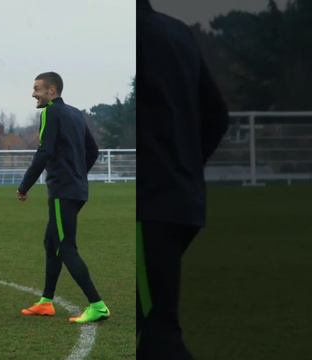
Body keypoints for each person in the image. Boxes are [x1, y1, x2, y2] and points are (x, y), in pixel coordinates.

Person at [137, 0, 229, 358]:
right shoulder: (178, 33)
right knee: (147, 318)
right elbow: (217, 115)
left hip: (150, 207)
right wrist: (184, 168)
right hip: (180, 201)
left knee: (159, 330)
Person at [17, 71, 108, 324]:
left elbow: (44, 151)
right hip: (76, 189)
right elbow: (94, 150)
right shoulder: (76, 114)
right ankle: (46, 302)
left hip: (63, 191)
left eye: (37, 88)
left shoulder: (50, 112)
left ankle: (97, 305)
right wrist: (79, 175)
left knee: (66, 247)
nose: (33, 93)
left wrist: (24, 186)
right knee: (51, 242)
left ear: (52, 91)